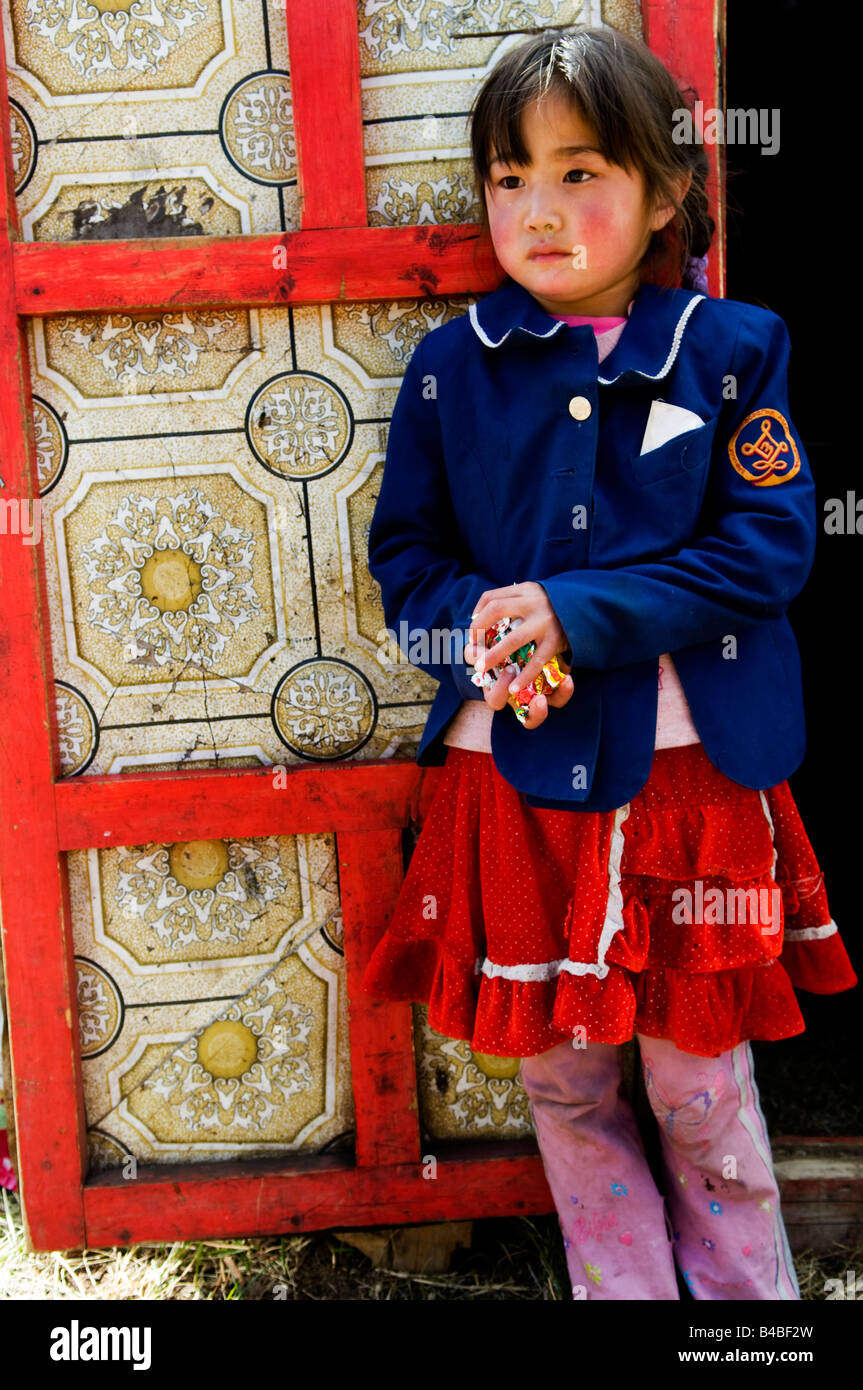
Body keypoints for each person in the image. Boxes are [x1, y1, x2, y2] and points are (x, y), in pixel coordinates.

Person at [361, 26, 857, 1300]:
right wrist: (485, 627)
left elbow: (766, 550)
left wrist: (577, 613)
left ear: (667, 192)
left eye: (579, 171)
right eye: (508, 177)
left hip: (694, 781)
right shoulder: (448, 372)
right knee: (565, 1075)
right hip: (515, 782)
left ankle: (746, 1314)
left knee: (697, 1075)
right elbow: (408, 561)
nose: (538, 208)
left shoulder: (733, 347)